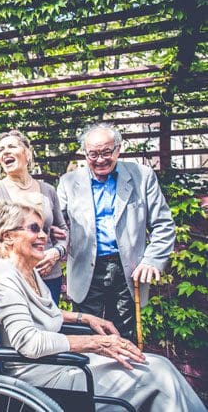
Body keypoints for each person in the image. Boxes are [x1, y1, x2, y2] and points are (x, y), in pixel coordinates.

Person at [0, 200, 205, 411]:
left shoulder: (29, 272)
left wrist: (84, 318)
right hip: (40, 374)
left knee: (160, 365)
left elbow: (43, 312)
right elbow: (29, 342)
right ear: (8, 236)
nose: (43, 236)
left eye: (44, 229)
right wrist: (95, 343)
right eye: (34, 229)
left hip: (59, 362)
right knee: (156, 375)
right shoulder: (6, 278)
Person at [57, 123, 176, 340]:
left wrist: (151, 260)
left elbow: (164, 224)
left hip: (127, 270)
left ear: (118, 149)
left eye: (106, 152)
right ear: (85, 153)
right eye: (93, 154)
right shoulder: (68, 182)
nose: (100, 159)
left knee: (123, 336)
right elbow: (59, 227)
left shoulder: (142, 176)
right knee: (86, 337)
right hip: (85, 269)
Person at [0, 130, 68, 303]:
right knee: (15, 327)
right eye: (1, 149)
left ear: (28, 153)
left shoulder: (48, 190)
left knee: (50, 325)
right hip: (11, 278)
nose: (5, 152)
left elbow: (63, 230)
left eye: (12, 146)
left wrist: (56, 253)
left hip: (48, 277)